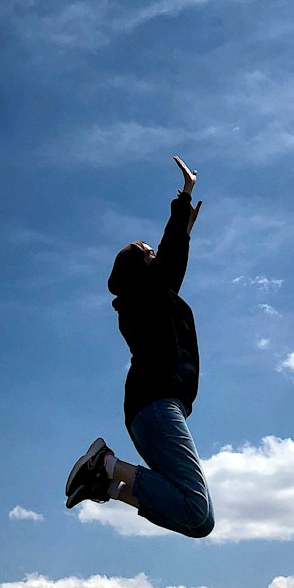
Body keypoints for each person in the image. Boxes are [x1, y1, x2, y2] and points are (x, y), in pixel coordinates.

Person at [64, 156, 215, 538]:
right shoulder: (141, 298)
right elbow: (170, 260)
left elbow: (172, 262)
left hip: (159, 408)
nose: (155, 251)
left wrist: (183, 228)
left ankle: (108, 485)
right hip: (155, 405)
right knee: (196, 508)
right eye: (148, 250)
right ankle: (107, 464)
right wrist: (184, 198)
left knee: (199, 522)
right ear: (141, 267)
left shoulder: (153, 297)